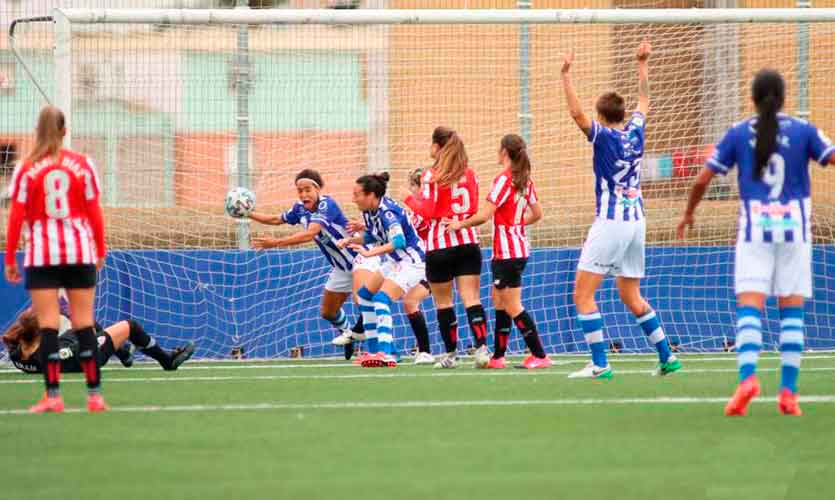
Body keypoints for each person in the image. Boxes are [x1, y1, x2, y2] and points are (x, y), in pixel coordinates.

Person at [677, 69, 834, 416]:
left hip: (754, 230)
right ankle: (788, 394)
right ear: (784, 97)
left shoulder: (737, 133)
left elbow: (703, 178)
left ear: (752, 97)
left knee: (751, 306)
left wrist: (689, 213)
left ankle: (747, 378)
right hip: (795, 228)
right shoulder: (804, 130)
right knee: (791, 310)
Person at [560, 41, 680, 379]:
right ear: (622, 115)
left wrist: (566, 74)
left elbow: (575, 114)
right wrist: (642, 64)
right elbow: (645, 101)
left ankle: (600, 364)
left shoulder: (603, 137)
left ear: (601, 116)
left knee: (583, 294)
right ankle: (667, 356)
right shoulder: (635, 133)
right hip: (637, 221)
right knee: (631, 294)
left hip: (612, 222)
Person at [4, 105, 108, 413]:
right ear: (64, 131)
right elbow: (94, 212)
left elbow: (16, 217)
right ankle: (95, 396)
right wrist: (100, 249)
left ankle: (53, 397)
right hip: (80, 251)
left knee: (48, 326)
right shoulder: (83, 165)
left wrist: (11, 256)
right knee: (84, 324)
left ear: (38, 131)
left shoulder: (26, 168)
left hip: (43, 254)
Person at [445, 134, 550, 369]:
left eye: (498, 149)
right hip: (518, 249)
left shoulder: (504, 179)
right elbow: (537, 213)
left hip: (507, 253)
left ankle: (540, 355)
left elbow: (484, 215)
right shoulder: (525, 179)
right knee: (499, 301)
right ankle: (498, 357)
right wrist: (515, 224)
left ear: (504, 152)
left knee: (512, 305)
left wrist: (459, 224)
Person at [249, 169, 372, 349]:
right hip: (341, 268)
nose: (304, 194)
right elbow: (276, 219)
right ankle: (349, 335)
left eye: (308, 190)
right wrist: (247, 213)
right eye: (300, 191)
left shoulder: (326, 205)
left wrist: (275, 242)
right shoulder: (299, 208)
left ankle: (383, 345)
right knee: (328, 312)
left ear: (318, 189)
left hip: (360, 258)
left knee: (362, 301)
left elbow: (310, 233)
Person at [402, 127, 488, 369]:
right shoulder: (470, 174)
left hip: (440, 244)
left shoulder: (432, 176)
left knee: (444, 303)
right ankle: (481, 349)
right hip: (468, 240)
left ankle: (450, 354)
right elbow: (471, 207)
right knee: (471, 298)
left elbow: (428, 213)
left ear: (438, 147)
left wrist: (409, 198)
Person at [337, 173, 427, 368]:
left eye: (357, 194)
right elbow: (371, 236)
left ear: (371, 195)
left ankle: (386, 354)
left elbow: (399, 241)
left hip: (413, 260)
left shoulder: (387, 212)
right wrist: (350, 240)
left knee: (382, 299)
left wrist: (370, 254)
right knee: (364, 295)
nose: (353, 199)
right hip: (396, 260)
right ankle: (374, 350)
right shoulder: (370, 211)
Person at [3, 308, 195, 374]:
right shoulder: (49, 352)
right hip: (84, 359)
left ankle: (124, 354)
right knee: (130, 326)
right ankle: (167, 361)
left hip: (67, 355)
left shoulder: (17, 353)